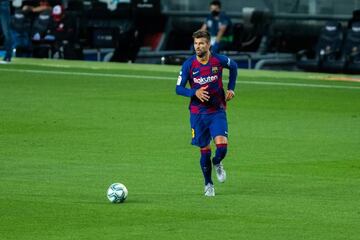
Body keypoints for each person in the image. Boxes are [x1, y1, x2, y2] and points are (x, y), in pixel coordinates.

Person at [176, 30, 238, 197]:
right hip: (198, 114)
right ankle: (208, 184)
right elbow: (178, 88)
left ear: (209, 44)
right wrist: (194, 92)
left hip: (216, 110)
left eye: (201, 43)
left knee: (222, 148)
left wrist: (231, 88)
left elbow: (234, 67)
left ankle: (217, 162)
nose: (198, 46)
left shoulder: (218, 60)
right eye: (196, 43)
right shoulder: (188, 65)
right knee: (204, 149)